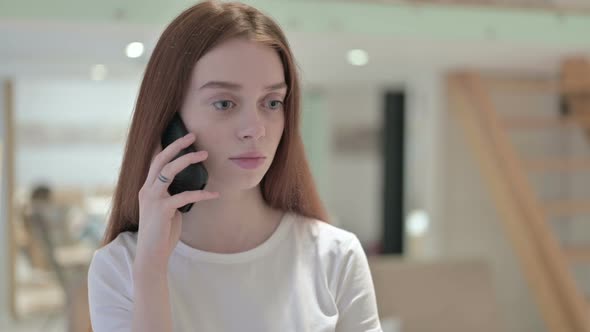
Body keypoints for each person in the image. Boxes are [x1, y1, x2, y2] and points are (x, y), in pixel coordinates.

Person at [87, 1, 382, 331]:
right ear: (171, 120)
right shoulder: (120, 267)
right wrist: (151, 272)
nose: (255, 128)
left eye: (272, 102)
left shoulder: (335, 257)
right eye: (224, 103)